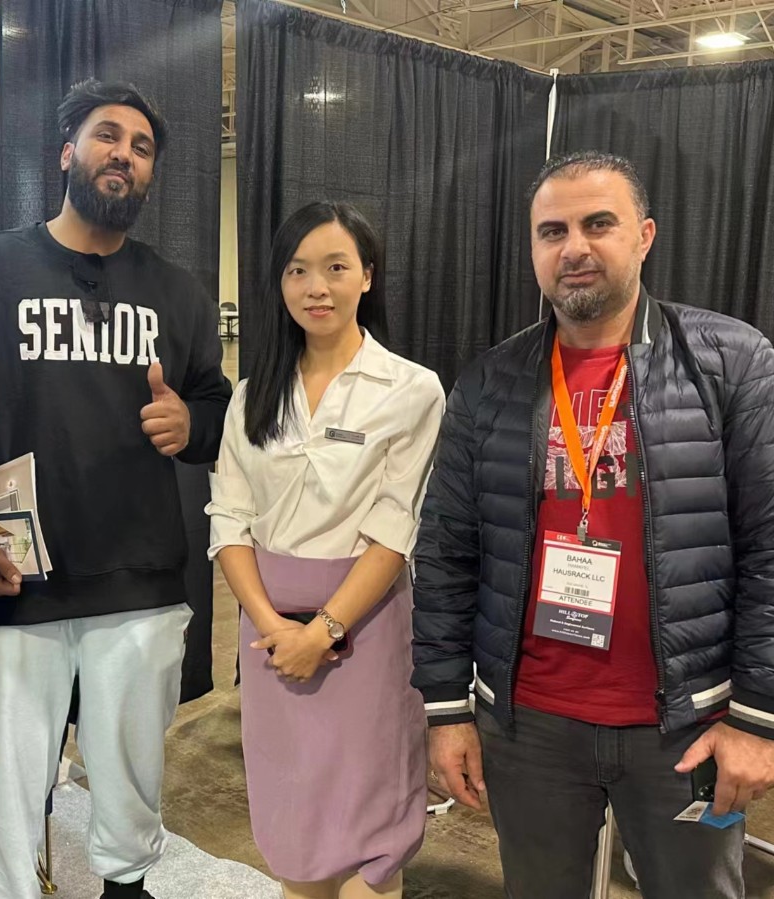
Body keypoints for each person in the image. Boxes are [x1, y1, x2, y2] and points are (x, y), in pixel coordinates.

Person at [412, 151, 774, 897]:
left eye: (597, 223)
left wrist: (760, 718)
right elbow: (446, 554)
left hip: (687, 726)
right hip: (528, 726)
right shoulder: (491, 382)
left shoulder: (731, 362)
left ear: (643, 235)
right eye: (552, 230)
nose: (574, 246)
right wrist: (447, 709)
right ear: (534, 251)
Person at [0, 79, 232, 899]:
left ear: (151, 173)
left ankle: (127, 886)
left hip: (140, 575)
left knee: (132, 768)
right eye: (107, 136)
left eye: (142, 146)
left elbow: (221, 409)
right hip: (16, 575)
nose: (124, 153)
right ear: (66, 153)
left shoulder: (177, 291)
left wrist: (189, 424)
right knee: (8, 781)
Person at [208, 201, 444, 899]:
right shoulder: (252, 396)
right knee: (297, 832)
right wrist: (272, 624)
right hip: (271, 638)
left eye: (336, 267)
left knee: (371, 843)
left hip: (364, 633)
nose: (318, 286)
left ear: (366, 276)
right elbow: (230, 519)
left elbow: (395, 528)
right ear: (278, 284)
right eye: (299, 270)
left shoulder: (411, 390)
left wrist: (326, 628)